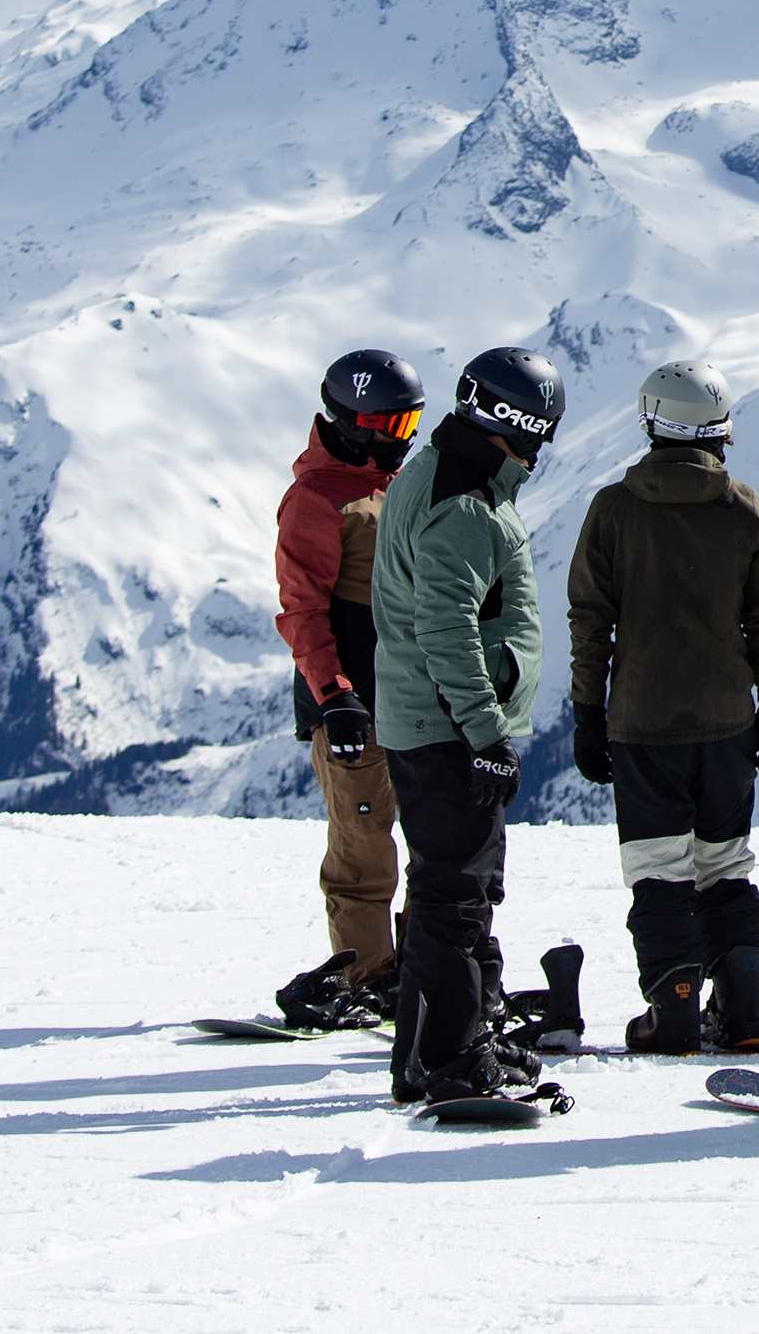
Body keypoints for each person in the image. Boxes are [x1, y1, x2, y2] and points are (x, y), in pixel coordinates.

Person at [562, 360, 759, 1054]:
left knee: (659, 870)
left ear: (651, 421)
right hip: (728, 721)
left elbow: (589, 620)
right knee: (725, 864)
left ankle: (675, 1009)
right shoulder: (743, 508)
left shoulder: (613, 508)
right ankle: (745, 1004)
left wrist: (586, 714)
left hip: (642, 725)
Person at [370, 345, 566, 1108]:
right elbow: (446, 626)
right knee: (454, 893)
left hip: (429, 719)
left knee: (462, 887)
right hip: (446, 727)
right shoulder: (463, 505)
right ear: (514, 423)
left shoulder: (442, 472)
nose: (543, 448)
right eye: (539, 431)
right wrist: (485, 733)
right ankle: (442, 1056)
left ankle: (458, 1038)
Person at [264, 349, 424, 1030]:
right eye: (394, 422)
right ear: (357, 422)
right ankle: (367, 977)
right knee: (363, 847)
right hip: (354, 707)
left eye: (412, 419)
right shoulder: (316, 501)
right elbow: (301, 609)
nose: (406, 435)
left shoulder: (394, 488)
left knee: (437, 839)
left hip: (413, 700)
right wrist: (334, 694)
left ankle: (426, 965)